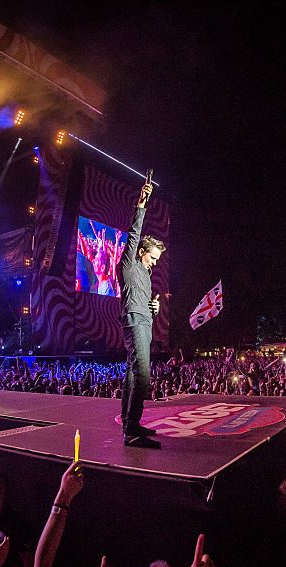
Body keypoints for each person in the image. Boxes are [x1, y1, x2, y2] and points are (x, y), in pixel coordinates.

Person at [118, 179, 165, 448]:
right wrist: (142, 203)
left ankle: (130, 424)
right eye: (152, 257)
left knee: (132, 373)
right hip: (134, 320)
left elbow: (145, 302)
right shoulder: (129, 264)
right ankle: (132, 430)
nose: (155, 263)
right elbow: (134, 233)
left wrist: (153, 308)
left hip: (144, 320)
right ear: (141, 252)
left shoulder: (146, 276)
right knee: (143, 373)